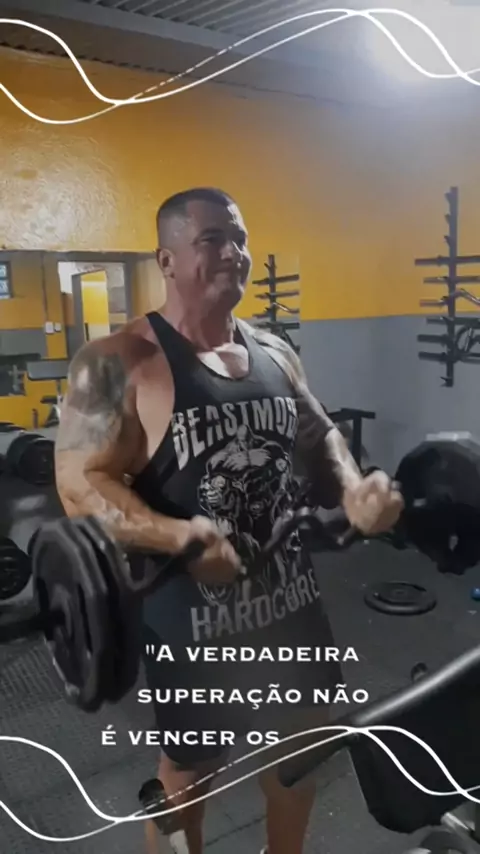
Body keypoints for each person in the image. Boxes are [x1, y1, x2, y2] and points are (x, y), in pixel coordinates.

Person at [54, 187, 403, 854]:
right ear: (167, 259)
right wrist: (177, 536)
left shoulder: (275, 351)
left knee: (303, 754)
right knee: (188, 780)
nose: (233, 253)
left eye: (239, 239)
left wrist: (357, 490)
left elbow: (319, 436)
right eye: (212, 239)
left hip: (291, 606)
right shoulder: (118, 361)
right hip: (194, 625)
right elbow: (79, 483)